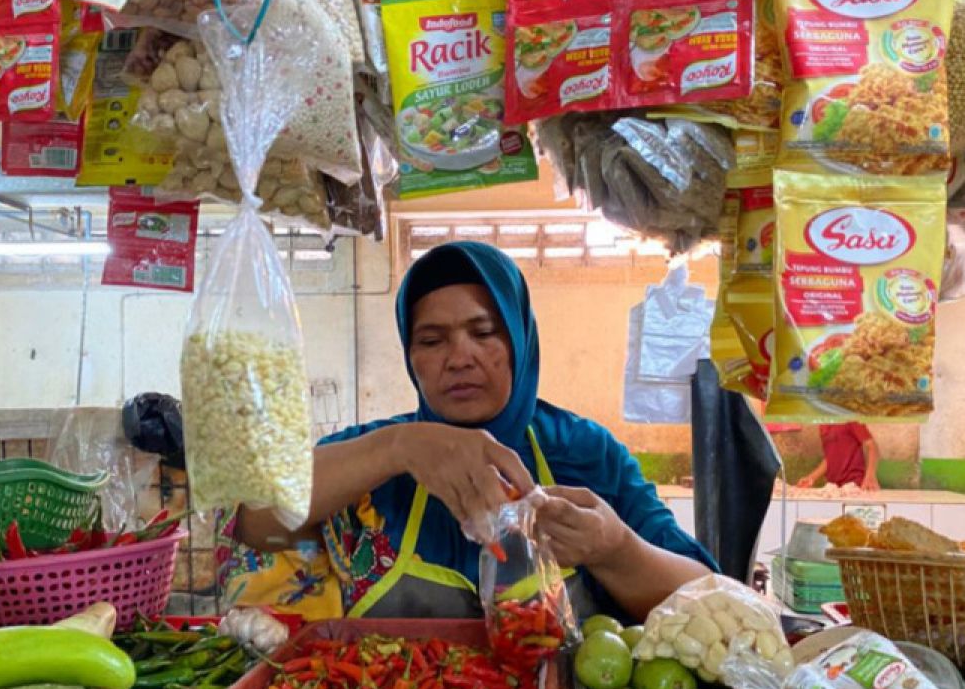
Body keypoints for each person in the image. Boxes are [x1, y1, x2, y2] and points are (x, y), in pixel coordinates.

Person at [237, 240, 716, 621]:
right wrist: (399, 448)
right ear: (411, 357)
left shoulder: (586, 452)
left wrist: (616, 551)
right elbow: (254, 518)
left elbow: (712, 601)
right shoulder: (378, 454)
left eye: (484, 333)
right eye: (431, 340)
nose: (459, 357)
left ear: (520, 340)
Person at [798, 422, 880, 491]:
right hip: (833, 486)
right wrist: (811, 478)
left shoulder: (851, 420)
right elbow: (830, 457)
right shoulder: (823, 426)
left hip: (854, 484)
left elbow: (872, 446)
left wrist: (870, 475)